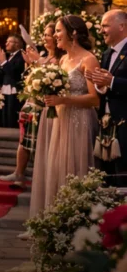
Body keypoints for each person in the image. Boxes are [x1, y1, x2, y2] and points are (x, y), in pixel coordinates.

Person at [32, 15, 100, 214]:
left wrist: (64, 100)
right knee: (57, 167)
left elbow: (94, 99)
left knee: (75, 168)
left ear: (74, 33)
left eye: (59, 31)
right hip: (61, 120)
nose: (55, 35)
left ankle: (77, 219)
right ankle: (57, 219)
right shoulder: (62, 59)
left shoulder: (89, 59)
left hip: (80, 121)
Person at [0, 24, 62, 190]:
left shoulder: (59, 59)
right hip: (32, 103)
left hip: (47, 107)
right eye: (46, 34)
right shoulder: (43, 56)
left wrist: (37, 62)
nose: (45, 38)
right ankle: (19, 174)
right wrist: (31, 65)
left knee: (40, 145)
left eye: (49, 35)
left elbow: (53, 79)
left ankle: (41, 179)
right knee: (24, 141)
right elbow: (29, 79)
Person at [86, 9, 127, 188]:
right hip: (107, 124)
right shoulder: (106, 54)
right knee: (107, 174)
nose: (101, 30)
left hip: (125, 122)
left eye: (105, 26)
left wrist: (112, 81)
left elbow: (113, 82)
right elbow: (105, 87)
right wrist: (99, 84)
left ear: (122, 26)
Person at [0, 34, 26, 128]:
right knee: (5, 114)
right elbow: (3, 74)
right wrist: (0, 63)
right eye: (6, 41)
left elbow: (14, 73)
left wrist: (3, 62)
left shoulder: (21, 56)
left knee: (11, 114)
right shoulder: (9, 56)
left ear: (17, 44)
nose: (6, 44)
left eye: (9, 42)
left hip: (14, 89)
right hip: (6, 87)